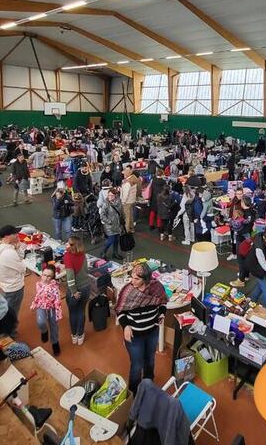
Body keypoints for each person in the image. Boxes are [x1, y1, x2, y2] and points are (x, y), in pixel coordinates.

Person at [115, 262, 168, 394]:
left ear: (146, 279)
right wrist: (126, 326)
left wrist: (161, 313)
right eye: (132, 277)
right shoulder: (127, 290)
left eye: (136, 279)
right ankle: (134, 393)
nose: (132, 281)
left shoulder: (157, 287)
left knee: (150, 361)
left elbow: (163, 303)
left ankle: (148, 385)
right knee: (137, 366)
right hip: (135, 337)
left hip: (152, 332)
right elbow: (120, 311)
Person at [0, 225, 26, 325]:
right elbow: (23, 268)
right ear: (7, 236)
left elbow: (21, 257)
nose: (17, 235)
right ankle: (10, 334)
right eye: (14, 234)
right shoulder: (9, 253)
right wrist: (16, 249)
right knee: (12, 312)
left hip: (5, 285)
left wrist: (17, 247)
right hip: (14, 288)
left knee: (6, 308)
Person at [64, 236, 91, 345]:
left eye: (68, 242)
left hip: (75, 290)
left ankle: (74, 335)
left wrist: (74, 291)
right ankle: (80, 335)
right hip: (86, 287)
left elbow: (70, 277)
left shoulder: (68, 256)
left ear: (72, 245)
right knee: (81, 311)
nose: (66, 243)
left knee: (72, 312)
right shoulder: (83, 254)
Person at [30, 265, 62, 356]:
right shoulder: (38, 284)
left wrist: (58, 313)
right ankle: (44, 331)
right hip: (41, 306)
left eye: (48, 276)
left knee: (53, 325)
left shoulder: (55, 287)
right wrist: (34, 305)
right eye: (44, 275)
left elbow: (57, 300)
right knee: (41, 322)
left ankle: (55, 342)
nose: (45, 278)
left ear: (52, 277)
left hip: (52, 308)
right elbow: (38, 296)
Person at [230, 196, 256, 287]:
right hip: (249, 238)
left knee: (240, 259)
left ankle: (241, 280)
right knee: (246, 257)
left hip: (241, 238)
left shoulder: (243, 214)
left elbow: (237, 225)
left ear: (243, 203)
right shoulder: (252, 211)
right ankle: (246, 275)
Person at [100, 188, 124, 260]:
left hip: (118, 225)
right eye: (109, 195)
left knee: (116, 240)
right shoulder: (105, 203)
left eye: (112, 195)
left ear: (115, 195)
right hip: (109, 226)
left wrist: (123, 220)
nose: (110, 197)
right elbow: (102, 215)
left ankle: (115, 253)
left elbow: (121, 211)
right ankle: (103, 252)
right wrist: (109, 221)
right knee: (111, 240)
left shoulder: (119, 201)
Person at [120, 166, 139, 233]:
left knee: (126, 216)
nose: (123, 175)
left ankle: (126, 230)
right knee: (130, 215)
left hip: (127, 201)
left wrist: (123, 201)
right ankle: (132, 228)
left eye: (124, 174)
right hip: (132, 200)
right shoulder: (134, 179)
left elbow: (125, 193)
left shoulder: (127, 182)